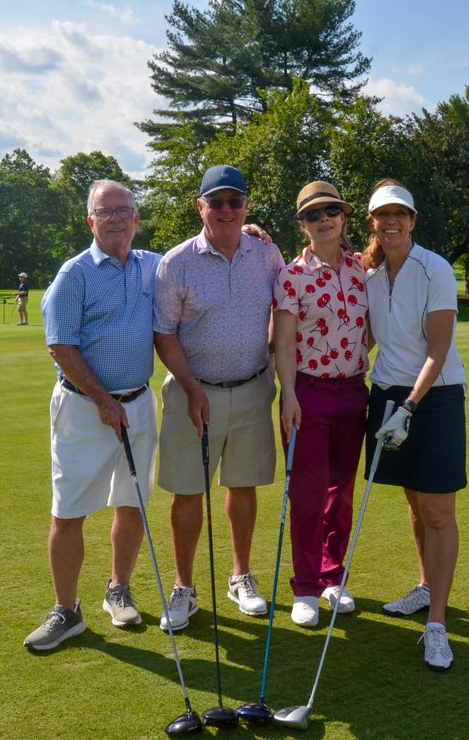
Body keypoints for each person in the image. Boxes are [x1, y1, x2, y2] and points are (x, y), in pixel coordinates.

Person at [22, 180, 161, 652]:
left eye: (125, 210)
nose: (117, 218)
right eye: (106, 212)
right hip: (85, 409)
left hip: (139, 403)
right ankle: (67, 611)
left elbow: (197, 255)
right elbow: (59, 345)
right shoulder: (74, 274)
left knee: (132, 501)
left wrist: (252, 232)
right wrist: (103, 400)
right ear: (91, 221)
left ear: (137, 219)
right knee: (69, 510)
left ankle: (118, 587)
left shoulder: (152, 267)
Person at [152, 164, 284, 631]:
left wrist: (269, 354)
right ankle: (184, 588)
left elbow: (284, 305)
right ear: (200, 206)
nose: (227, 210)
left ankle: (240, 576)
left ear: (246, 205)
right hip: (193, 394)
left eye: (235, 202)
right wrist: (190, 388)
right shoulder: (177, 262)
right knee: (188, 492)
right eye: (217, 202)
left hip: (252, 389)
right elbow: (164, 334)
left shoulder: (266, 253)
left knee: (243, 486)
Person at [362, 179, 467, 672]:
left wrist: (408, 406)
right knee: (412, 497)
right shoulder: (368, 274)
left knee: (439, 510)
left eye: (400, 214)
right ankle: (426, 587)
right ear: (372, 224)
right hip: (387, 394)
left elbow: (437, 349)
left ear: (413, 221)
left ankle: (437, 624)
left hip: (434, 396)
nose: (391, 222)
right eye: (382, 215)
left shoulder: (435, 269)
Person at [272, 181, 369, 627]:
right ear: (303, 224)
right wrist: (289, 396)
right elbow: (285, 343)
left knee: (340, 495)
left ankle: (333, 577)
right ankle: (306, 586)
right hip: (307, 393)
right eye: (314, 214)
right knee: (308, 496)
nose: (324, 219)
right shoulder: (291, 275)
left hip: (352, 393)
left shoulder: (362, 270)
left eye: (331, 210)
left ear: (344, 216)